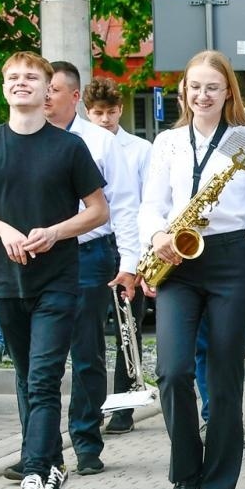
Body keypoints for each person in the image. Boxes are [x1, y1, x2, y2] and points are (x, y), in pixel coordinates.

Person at [0, 52, 107, 489]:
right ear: (4, 88)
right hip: (5, 280)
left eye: (31, 78)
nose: (22, 84)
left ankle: (36, 472)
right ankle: (52, 464)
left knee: (43, 377)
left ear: (46, 91)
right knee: (25, 377)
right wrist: (3, 229)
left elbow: (98, 210)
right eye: (13, 78)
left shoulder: (68, 147)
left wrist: (56, 231)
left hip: (58, 279)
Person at [139, 50, 245, 489]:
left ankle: (220, 488)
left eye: (212, 86)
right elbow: (149, 206)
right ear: (183, 90)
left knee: (224, 380)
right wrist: (158, 236)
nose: (202, 94)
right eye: (194, 86)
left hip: (228, 258)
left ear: (228, 92)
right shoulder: (166, 143)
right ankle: (186, 473)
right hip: (177, 261)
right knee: (172, 371)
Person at [35, 61, 140, 479]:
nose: (44, 97)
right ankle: (39, 451)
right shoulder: (25, 137)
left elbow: (126, 204)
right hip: (37, 254)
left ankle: (85, 441)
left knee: (86, 351)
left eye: (53, 90)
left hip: (88, 252)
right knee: (38, 357)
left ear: (74, 96)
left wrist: (129, 262)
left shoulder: (99, 142)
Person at [85, 78, 153, 435]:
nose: (106, 119)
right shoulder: (82, 144)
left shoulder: (140, 149)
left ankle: (125, 407)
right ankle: (94, 408)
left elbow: (144, 202)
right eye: (98, 113)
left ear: (120, 110)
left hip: (131, 244)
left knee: (128, 330)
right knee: (91, 330)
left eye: (111, 112)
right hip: (96, 243)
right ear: (87, 112)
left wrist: (140, 258)